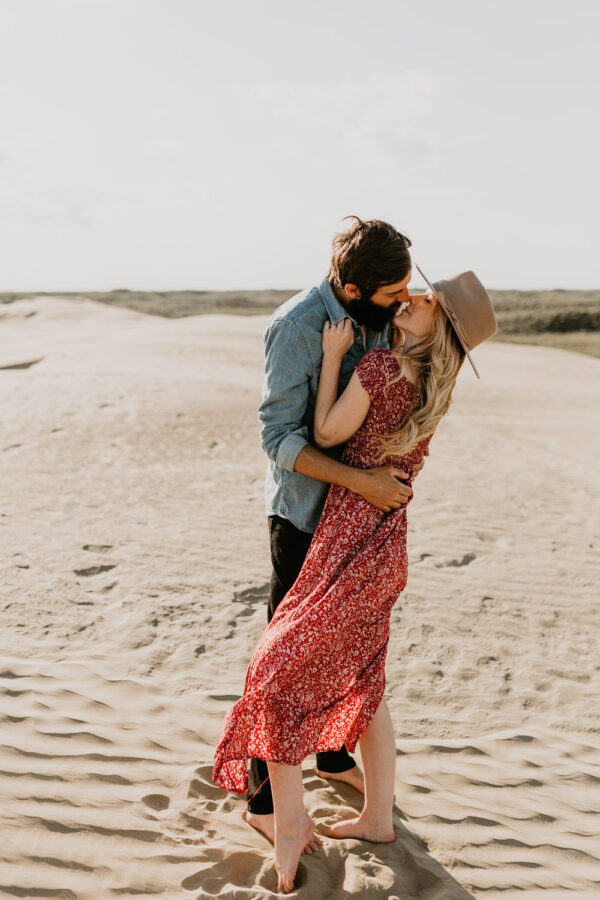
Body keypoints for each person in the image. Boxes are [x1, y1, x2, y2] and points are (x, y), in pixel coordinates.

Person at [213, 264, 497, 893]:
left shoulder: (378, 369)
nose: (413, 300)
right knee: (362, 671)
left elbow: (324, 434)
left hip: (347, 537)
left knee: (276, 669)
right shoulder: (433, 386)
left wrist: (337, 354)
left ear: (439, 327)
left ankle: (286, 822)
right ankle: (375, 818)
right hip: (385, 544)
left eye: (426, 301)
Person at [241, 218, 424, 852]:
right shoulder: (294, 328)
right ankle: (264, 801)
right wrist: (362, 480)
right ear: (350, 285)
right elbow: (278, 440)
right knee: (285, 660)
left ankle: (332, 756)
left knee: (350, 651)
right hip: (303, 519)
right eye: (391, 293)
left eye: (407, 289)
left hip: (361, 524)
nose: (403, 301)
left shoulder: (379, 317)